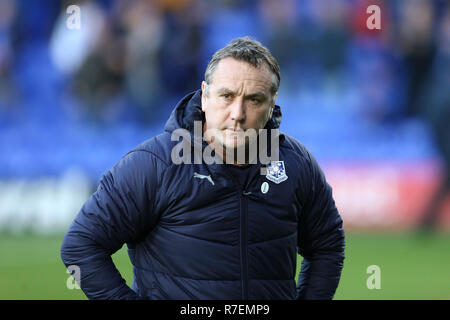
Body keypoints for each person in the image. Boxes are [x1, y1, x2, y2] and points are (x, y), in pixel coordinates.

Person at [60, 37, 345, 300]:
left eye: (254, 100)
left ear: (272, 105)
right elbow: (81, 246)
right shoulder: (155, 164)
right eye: (227, 96)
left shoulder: (296, 164)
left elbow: (327, 244)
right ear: (205, 96)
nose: (238, 114)